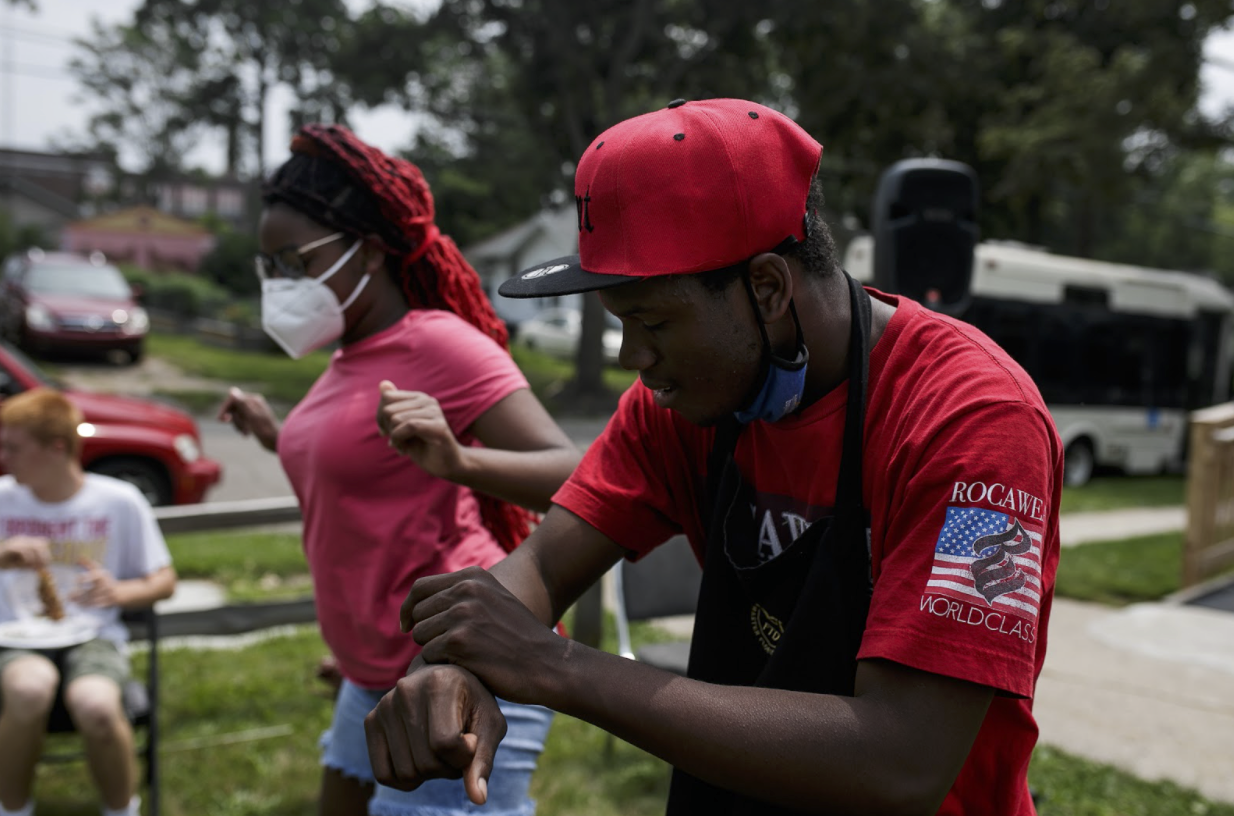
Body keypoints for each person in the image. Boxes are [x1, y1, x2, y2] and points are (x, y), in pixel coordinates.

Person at [364, 98, 1063, 815]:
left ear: (766, 286)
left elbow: (903, 759)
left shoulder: (977, 424)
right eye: (620, 324)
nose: (636, 360)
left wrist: (551, 665)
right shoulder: (690, 401)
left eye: (653, 321)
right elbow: (542, 565)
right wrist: (447, 667)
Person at [216, 123, 582, 816]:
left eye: (294, 260)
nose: (279, 283)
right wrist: (276, 436)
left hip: (457, 664)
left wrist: (460, 460)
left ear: (370, 251)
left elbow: (577, 473)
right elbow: (359, 479)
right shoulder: (346, 358)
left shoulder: (439, 345)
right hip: (372, 674)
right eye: (270, 266)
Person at [0, 387, 176, 816]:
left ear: (57, 448)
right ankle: (13, 808)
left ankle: (122, 810)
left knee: (97, 704)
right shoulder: (3, 497)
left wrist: (119, 592)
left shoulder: (118, 501)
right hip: (15, 637)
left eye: (13, 447)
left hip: (93, 634)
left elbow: (164, 579)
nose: (4, 457)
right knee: (28, 690)